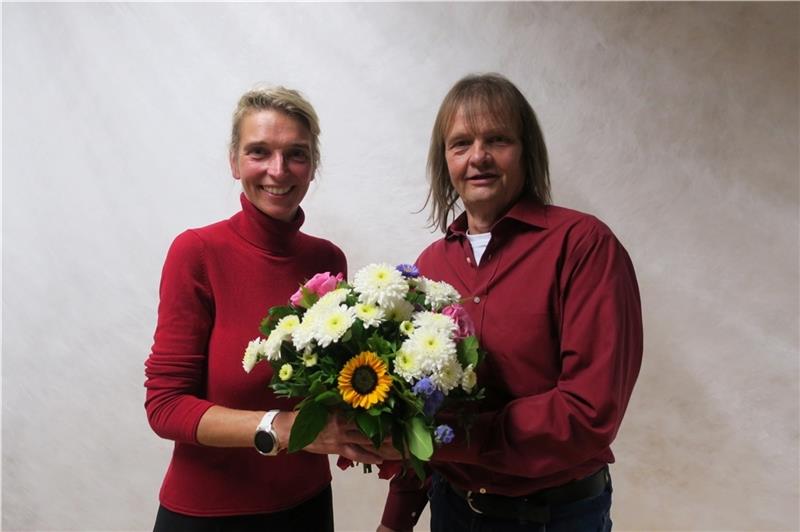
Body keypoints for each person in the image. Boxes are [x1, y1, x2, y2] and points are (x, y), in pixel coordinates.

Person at [377, 73, 643, 531]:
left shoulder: (583, 246)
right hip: (453, 510)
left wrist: (453, 438)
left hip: (554, 516)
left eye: (497, 139)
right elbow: (417, 403)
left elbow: (588, 411)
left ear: (526, 151)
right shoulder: (430, 266)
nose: (478, 156)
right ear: (445, 161)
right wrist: (396, 519)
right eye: (461, 143)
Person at [144, 85, 381, 532]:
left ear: (312, 166)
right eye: (259, 152)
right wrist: (285, 427)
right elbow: (166, 406)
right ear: (234, 162)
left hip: (307, 507)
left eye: (296, 153)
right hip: (209, 515)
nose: (278, 170)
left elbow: (332, 386)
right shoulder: (196, 252)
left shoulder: (328, 262)